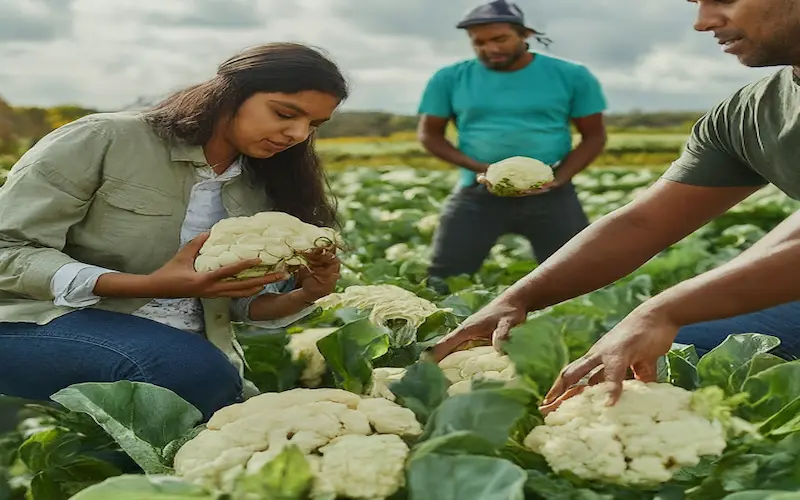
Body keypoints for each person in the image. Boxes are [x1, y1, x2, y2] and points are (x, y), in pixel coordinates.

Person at [430, 0, 800, 409]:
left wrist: (663, 309)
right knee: (674, 359)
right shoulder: (749, 112)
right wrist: (516, 300)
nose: (703, 22)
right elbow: (644, 222)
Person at [0, 42, 346, 420]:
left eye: (313, 125)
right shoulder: (105, 139)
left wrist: (306, 293)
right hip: (34, 321)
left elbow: (235, 302)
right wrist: (148, 286)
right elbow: (8, 248)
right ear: (231, 93)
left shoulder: (263, 185)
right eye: (284, 113)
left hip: (179, 345)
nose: (297, 133)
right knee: (186, 372)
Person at [416, 0, 608, 292]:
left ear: (525, 34)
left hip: (552, 197)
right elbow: (430, 135)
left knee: (577, 277)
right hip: (477, 192)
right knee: (443, 278)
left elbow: (594, 136)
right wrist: (482, 169)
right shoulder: (449, 78)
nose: (490, 48)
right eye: (478, 42)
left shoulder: (572, 75)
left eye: (499, 39)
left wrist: (559, 179)